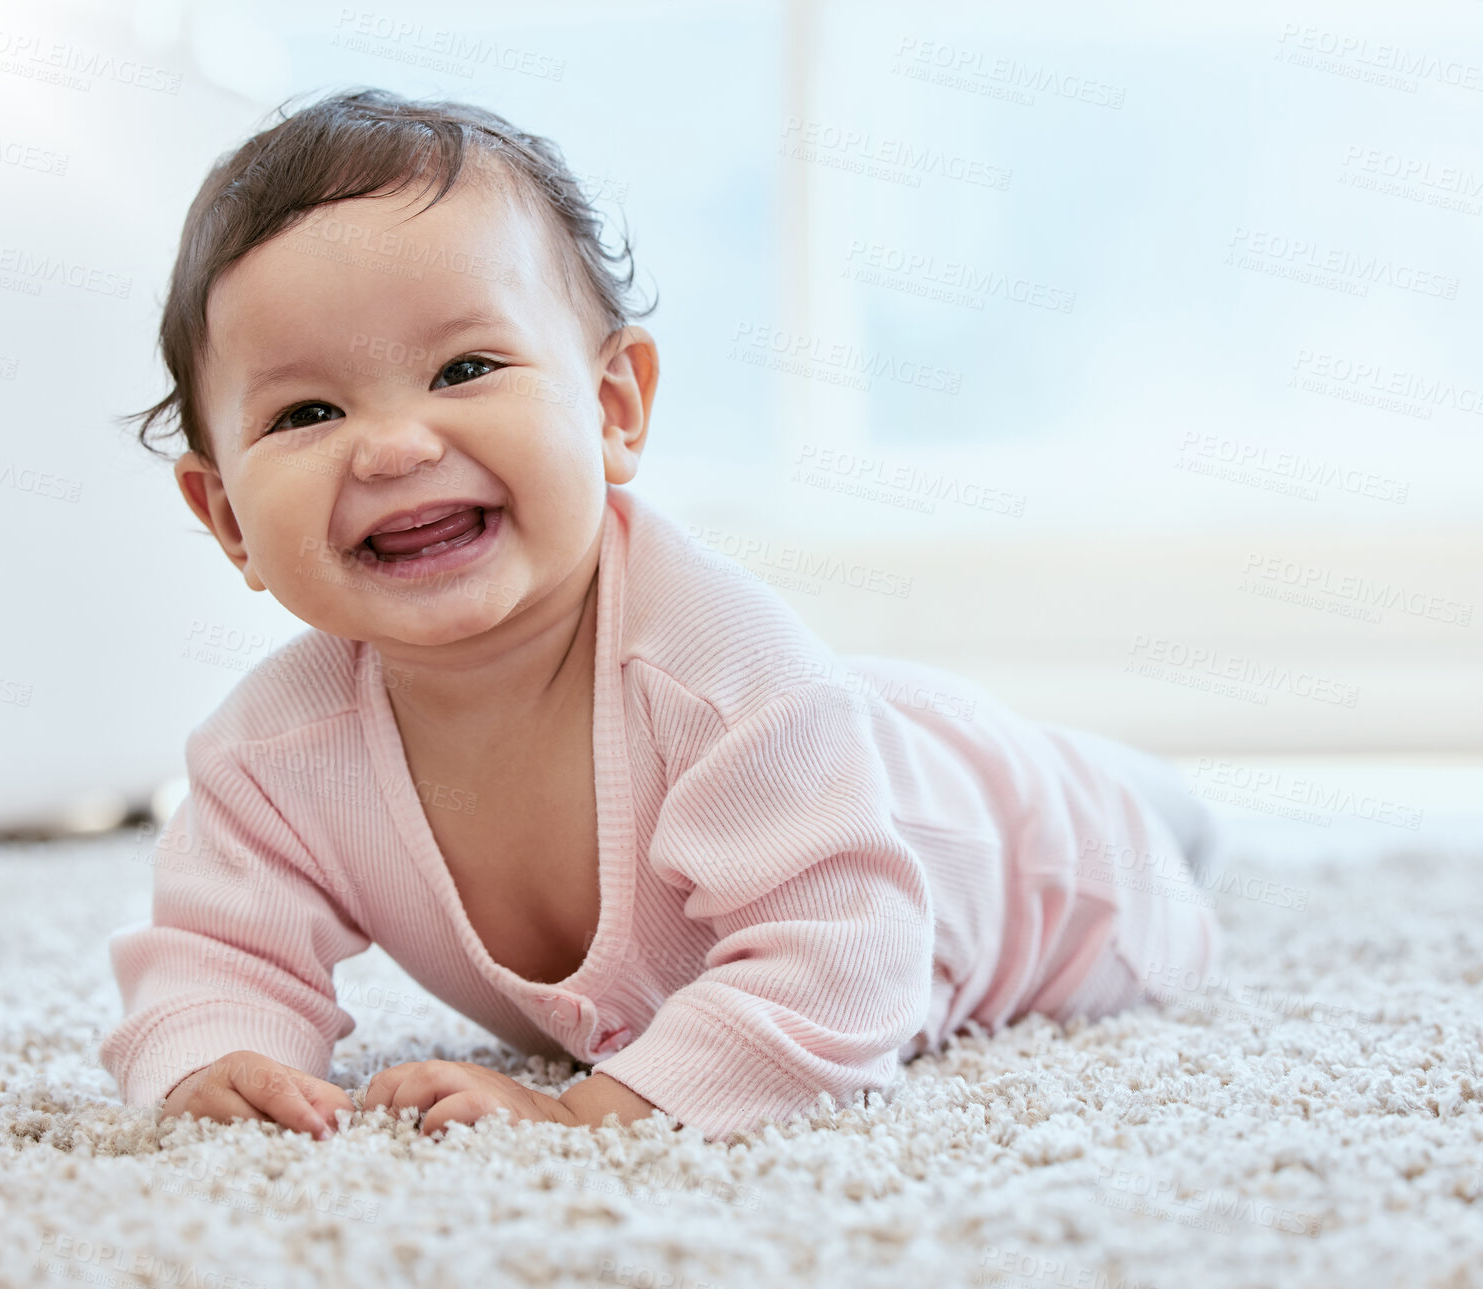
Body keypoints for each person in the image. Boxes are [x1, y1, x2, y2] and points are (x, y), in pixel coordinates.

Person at [100, 89, 1222, 1144]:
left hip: (1022, 852)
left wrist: (600, 1109)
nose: (393, 445)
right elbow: (213, 945)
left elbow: (843, 960)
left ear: (611, 408)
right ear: (226, 515)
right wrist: (216, 1049)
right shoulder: (273, 756)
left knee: (1130, 821)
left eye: (465, 366)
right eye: (307, 409)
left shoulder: (723, 673)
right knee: (881, 725)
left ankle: (1154, 796)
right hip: (845, 731)